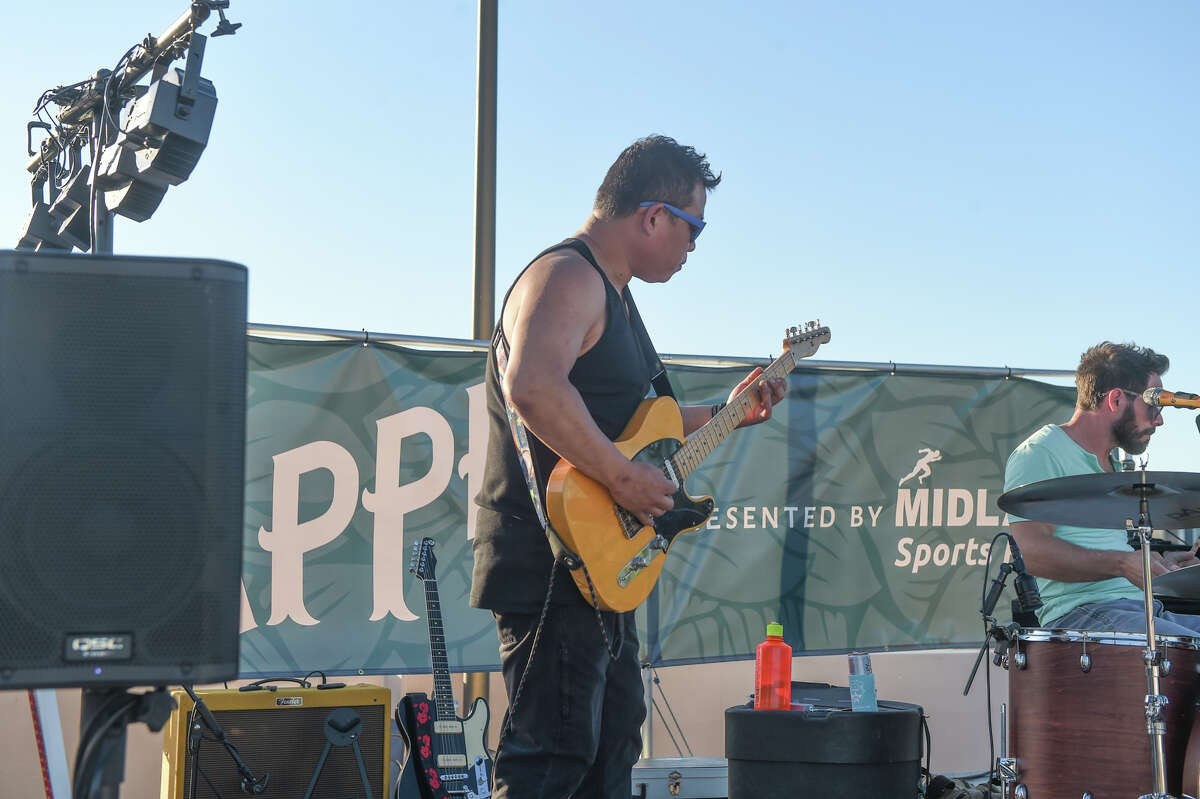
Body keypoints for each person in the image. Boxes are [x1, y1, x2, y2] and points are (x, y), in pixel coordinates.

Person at [470, 135, 787, 799]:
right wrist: (620, 476)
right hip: (553, 562)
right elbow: (533, 384)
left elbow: (640, 429)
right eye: (693, 228)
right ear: (653, 217)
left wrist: (728, 412)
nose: (693, 247)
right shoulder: (568, 275)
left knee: (611, 749)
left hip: (598, 565)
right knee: (548, 762)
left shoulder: (613, 293)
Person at [1004, 341, 1200, 634]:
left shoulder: (1112, 463)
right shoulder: (1042, 451)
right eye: (1153, 405)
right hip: (1082, 615)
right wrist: (1122, 563)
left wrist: (1160, 567)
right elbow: (1031, 553)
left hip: (1142, 609)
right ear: (1116, 400)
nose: (1159, 419)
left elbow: (1107, 554)